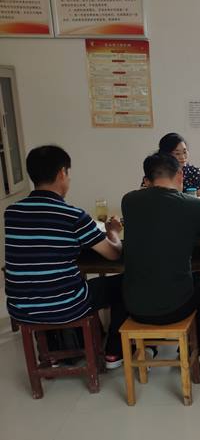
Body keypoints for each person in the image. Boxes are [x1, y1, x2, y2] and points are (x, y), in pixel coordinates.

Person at [4, 145, 126, 368]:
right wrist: (114, 232)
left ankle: (53, 352)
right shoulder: (73, 216)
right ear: (62, 173)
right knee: (124, 283)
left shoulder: (12, 213)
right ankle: (114, 351)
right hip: (65, 305)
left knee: (54, 282)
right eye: (68, 174)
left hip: (20, 307)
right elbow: (113, 253)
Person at [122, 152, 200, 369]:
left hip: (135, 307)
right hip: (176, 307)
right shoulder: (194, 206)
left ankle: (148, 346)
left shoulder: (129, 201)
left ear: (147, 179)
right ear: (180, 174)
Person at [142, 133, 200, 199]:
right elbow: (143, 196)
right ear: (166, 155)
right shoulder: (157, 172)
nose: (182, 157)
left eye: (185, 152)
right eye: (177, 153)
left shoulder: (194, 172)